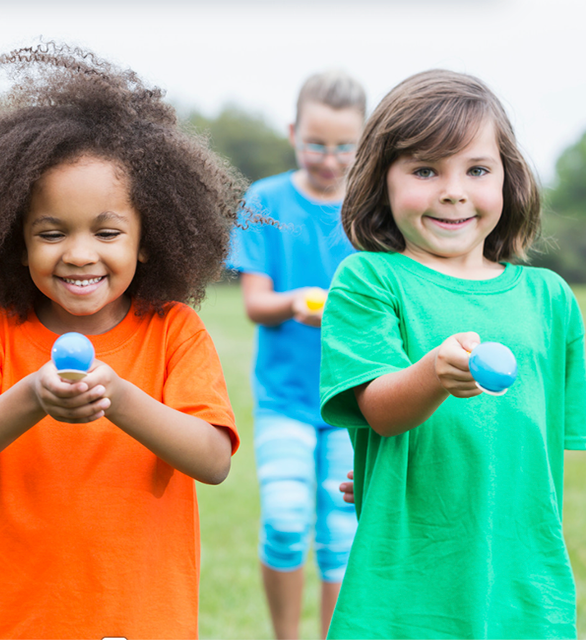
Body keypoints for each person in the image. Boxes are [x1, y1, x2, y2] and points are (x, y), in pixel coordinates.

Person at [0, 42, 248, 639]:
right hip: (22, 620)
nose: (80, 254)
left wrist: (122, 398)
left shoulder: (174, 331)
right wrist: (32, 396)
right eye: (51, 233)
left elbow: (213, 461)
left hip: (143, 619)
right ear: (16, 243)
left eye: (107, 231)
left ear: (147, 238)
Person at [319, 69, 585, 638]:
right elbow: (382, 411)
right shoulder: (369, 280)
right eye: (424, 169)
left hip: (524, 589)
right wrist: (433, 377)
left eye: (478, 169)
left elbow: (538, 443)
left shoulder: (551, 299)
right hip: (406, 590)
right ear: (381, 180)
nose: (454, 190)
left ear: (508, 179)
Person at [226, 70, 366, 639]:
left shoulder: (370, 208)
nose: (329, 159)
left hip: (350, 400)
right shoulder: (266, 201)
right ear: (293, 132)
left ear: (364, 142)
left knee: (339, 533)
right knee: (285, 522)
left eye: (343, 146)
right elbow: (256, 304)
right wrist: (298, 304)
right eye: (316, 143)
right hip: (284, 398)